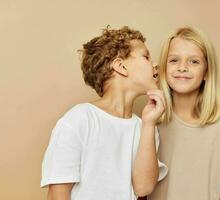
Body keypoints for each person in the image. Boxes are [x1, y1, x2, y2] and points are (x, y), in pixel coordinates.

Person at [40, 26, 168, 200]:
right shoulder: (79, 120)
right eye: (146, 56)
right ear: (121, 66)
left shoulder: (145, 127)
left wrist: (149, 124)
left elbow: (143, 188)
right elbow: (58, 194)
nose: (156, 65)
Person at [149, 27, 220, 200]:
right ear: (164, 68)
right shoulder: (150, 123)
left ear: (206, 72)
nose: (182, 67)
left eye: (194, 61)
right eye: (174, 60)